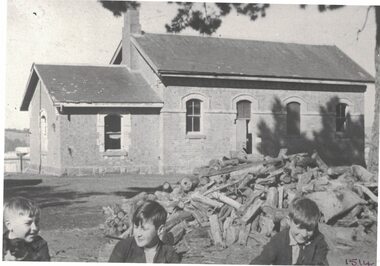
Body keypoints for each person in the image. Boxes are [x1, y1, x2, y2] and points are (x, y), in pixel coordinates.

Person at [250, 197, 329, 265]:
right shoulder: (278, 241)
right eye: (300, 228)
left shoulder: (318, 241)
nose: (304, 234)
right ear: (289, 221)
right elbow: (261, 261)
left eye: (309, 229)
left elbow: (320, 261)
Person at [109, 200, 180, 263]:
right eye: (136, 227)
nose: (138, 234)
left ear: (160, 230)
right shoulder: (123, 247)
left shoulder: (169, 254)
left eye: (144, 229)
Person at [3, 196, 50, 261]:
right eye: (28, 223)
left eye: (36, 222)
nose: (35, 228)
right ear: (9, 225)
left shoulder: (39, 244)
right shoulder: (3, 244)